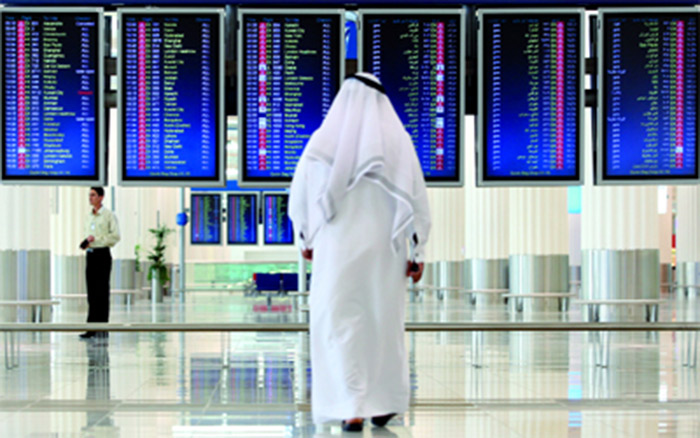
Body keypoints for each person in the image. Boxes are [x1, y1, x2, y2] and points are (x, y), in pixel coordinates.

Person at [288, 73, 431, 432]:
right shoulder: (399, 143)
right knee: (382, 325)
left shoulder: (322, 142)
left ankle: (351, 407)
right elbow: (418, 201)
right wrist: (418, 252)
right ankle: (383, 404)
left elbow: (300, 198)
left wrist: (305, 240)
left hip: (336, 253)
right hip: (385, 255)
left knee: (340, 326)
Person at [80, 187, 120, 340]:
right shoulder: (88, 216)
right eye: (89, 195)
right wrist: (86, 242)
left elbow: (115, 236)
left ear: (101, 197)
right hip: (90, 255)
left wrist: (97, 240)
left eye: (93, 195)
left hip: (102, 254)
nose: (90, 198)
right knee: (91, 293)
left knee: (101, 293)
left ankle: (102, 328)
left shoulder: (108, 215)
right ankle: (91, 328)